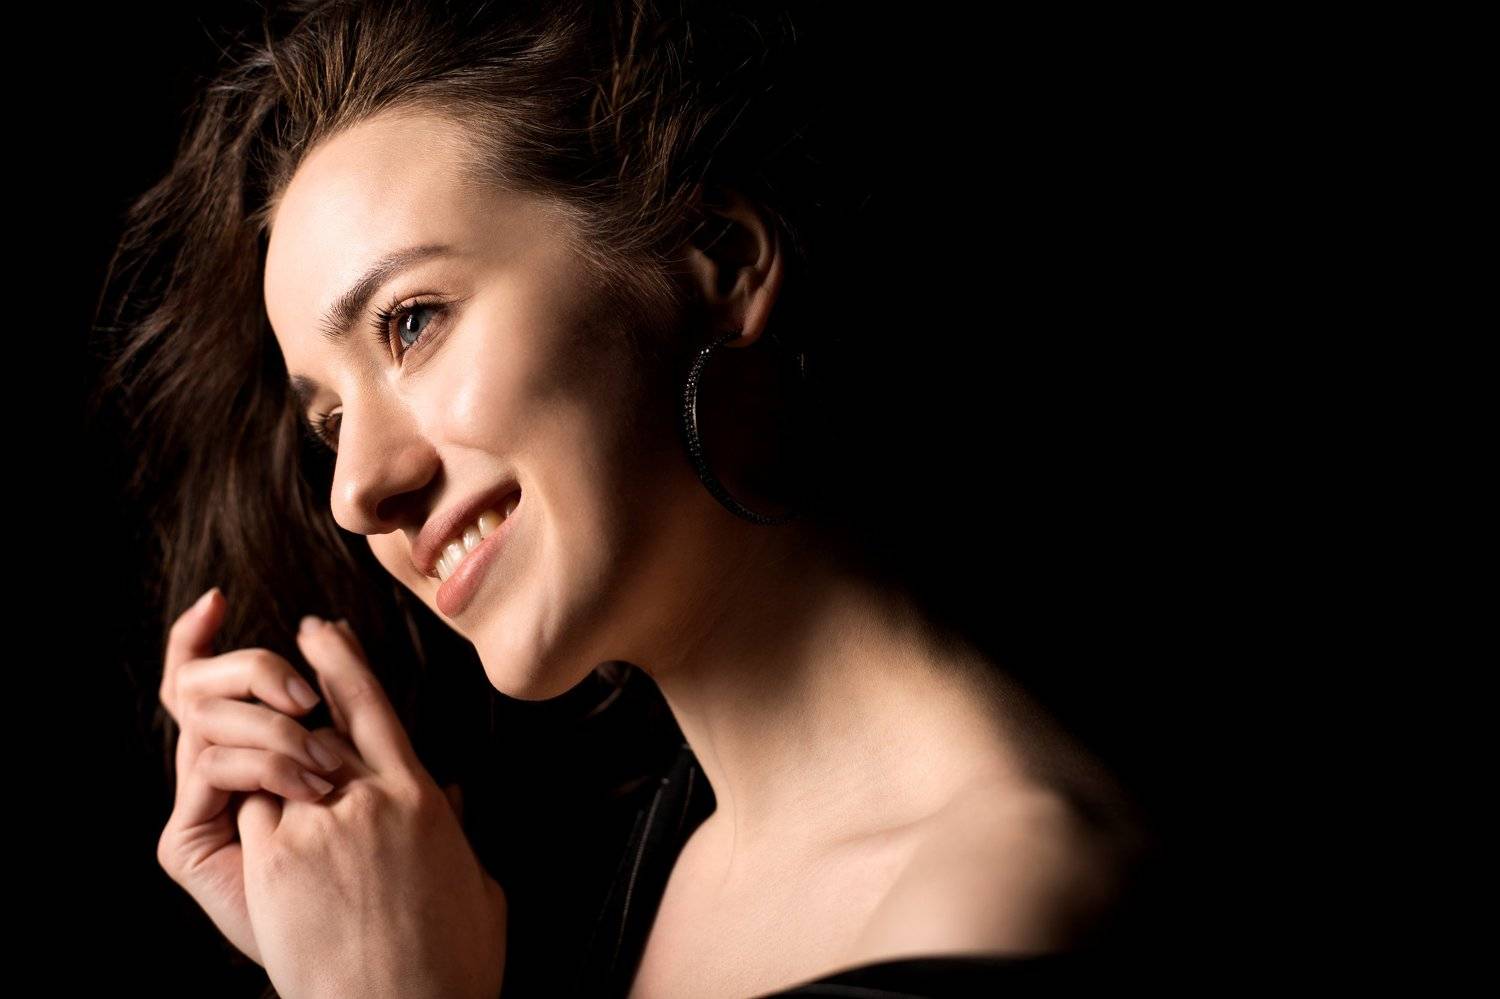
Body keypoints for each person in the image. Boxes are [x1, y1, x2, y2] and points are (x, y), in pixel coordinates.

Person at [90, 1, 1164, 995]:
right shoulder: (617, 877)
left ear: (721, 260)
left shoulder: (1004, 899)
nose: (356, 492)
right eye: (329, 421)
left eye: (412, 324)